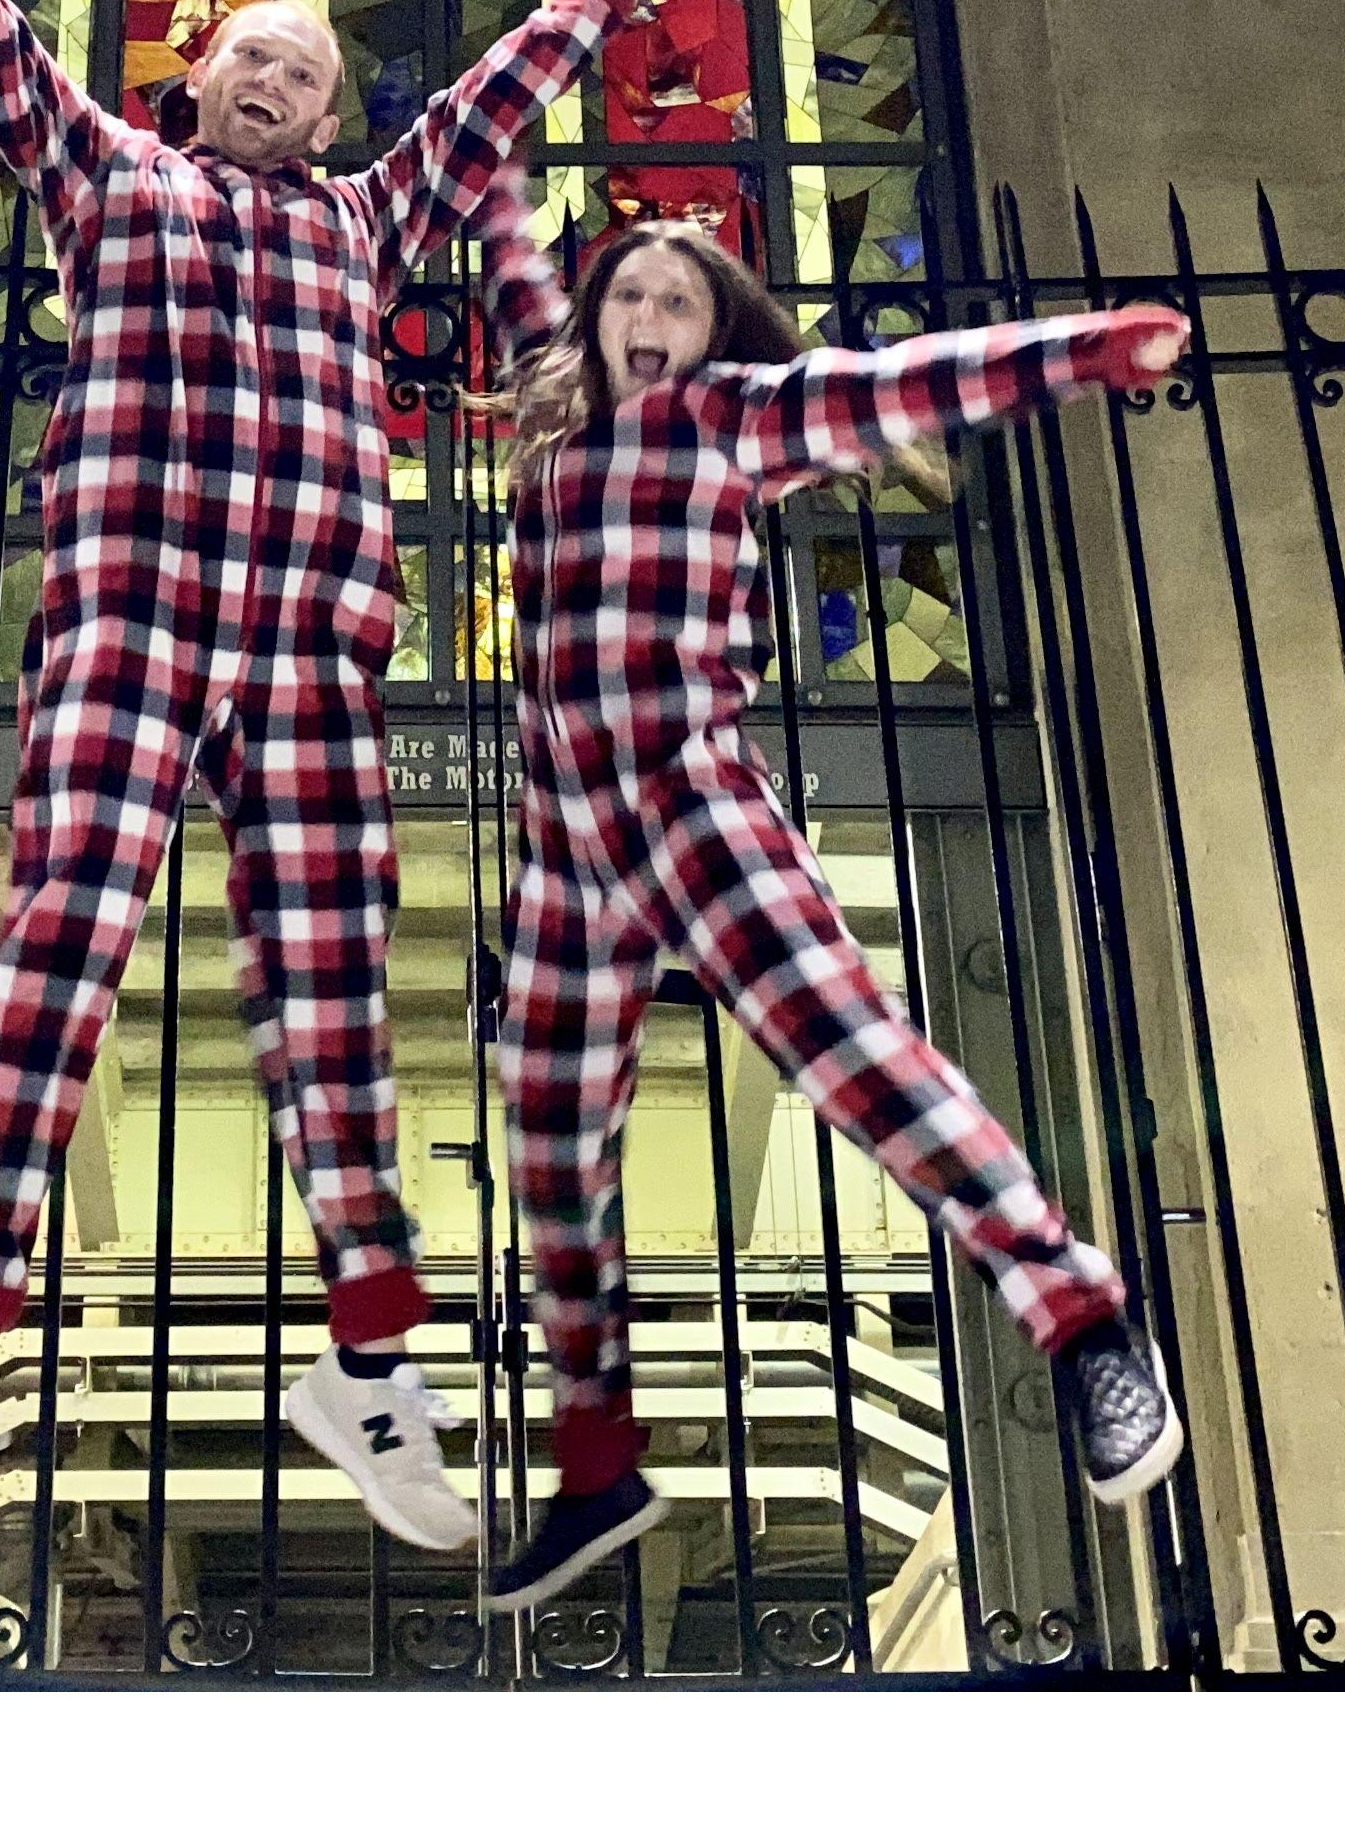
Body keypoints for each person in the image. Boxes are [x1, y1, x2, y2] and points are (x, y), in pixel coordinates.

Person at [0, 0, 713, 1584]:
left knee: (336, 989)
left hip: (312, 643)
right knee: (64, 947)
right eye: (252, 52)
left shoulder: (364, 222)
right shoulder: (111, 175)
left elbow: (487, 112)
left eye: (308, 71)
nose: (275, 77)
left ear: (331, 123)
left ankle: (369, 1362)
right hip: (138, 614)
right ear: (196, 78)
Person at [464, 178, 1195, 1618]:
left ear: (714, 329)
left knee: (850, 1051)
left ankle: (1081, 1317)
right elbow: (514, 274)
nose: (650, 317)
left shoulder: (733, 416)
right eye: (630, 295)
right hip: (565, 845)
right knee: (549, 1139)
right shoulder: (554, 419)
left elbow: (903, 381)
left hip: (691, 803)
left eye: (680, 301)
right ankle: (597, 1461)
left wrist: (1091, 347)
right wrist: (495, 176)